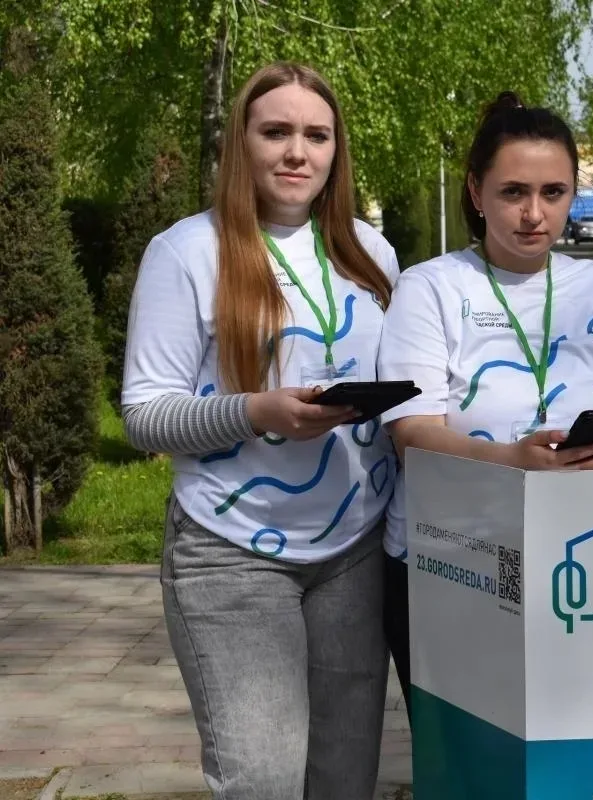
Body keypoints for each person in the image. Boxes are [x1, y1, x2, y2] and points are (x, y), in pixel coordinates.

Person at [120, 62, 400, 800]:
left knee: (345, 782)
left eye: (317, 135)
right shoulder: (187, 251)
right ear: (240, 143)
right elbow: (144, 415)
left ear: (337, 149)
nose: (297, 152)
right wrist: (256, 412)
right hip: (232, 552)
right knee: (263, 782)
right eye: (276, 132)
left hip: (355, 550)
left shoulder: (372, 252)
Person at [376, 91, 593, 713]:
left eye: (554, 192)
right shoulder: (430, 287)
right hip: (453, 563)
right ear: (476, 192)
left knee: (580, 745)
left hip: (584, 557)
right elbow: (412, 437)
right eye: (514, 192)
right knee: (470, 751)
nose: (535, 214)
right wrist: (514, 462)